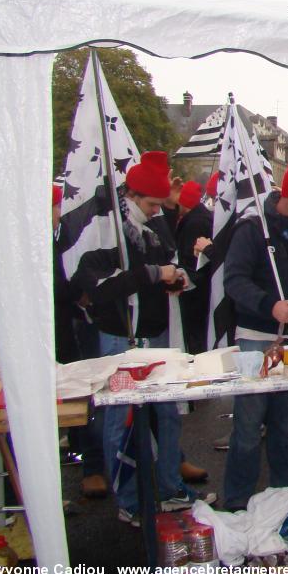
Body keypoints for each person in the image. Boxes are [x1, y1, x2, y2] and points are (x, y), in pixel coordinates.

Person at [70, 151, 207, 525]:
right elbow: (97, 286)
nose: (154, 210)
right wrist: (153, 274)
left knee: (167, 413)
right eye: (149, 204)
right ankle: (129, 498)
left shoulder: (154, 222)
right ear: (131, 196)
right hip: (119, 337)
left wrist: (175, 279)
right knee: (121, 418)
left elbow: (168, 264)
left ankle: (169, 487)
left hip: (156, 332)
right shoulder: (105, 228)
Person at [222, 160, 288, 510]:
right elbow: (234, 280)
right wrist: (269, 305)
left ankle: (283, 498)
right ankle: (238, 501)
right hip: (256, 335)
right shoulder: (252, 229)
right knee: (249, 425)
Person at [52, 184, 108, 498]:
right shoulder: (50, 240)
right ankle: (92, 463)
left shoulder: (67, 234)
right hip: (72, 325)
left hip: (97, 315)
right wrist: (80, 293)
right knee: (88, 393)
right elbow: (56, 284)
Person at [175, 180, 213, 355]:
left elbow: (192, 260)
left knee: (197, 339)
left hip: (196, 293)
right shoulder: (201, 218)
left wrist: (184, 280)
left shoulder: (194, 223)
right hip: (203, 291)